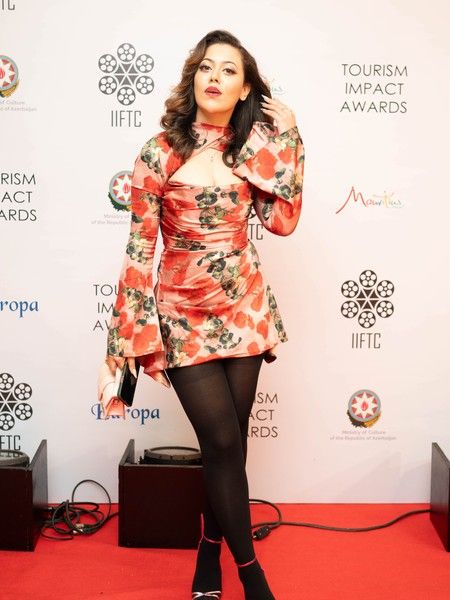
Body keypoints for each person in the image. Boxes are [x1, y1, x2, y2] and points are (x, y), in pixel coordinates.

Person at [104, 29, 305, 600]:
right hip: (183, 314)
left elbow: (283, 222)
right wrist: (127, 338)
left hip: (245, 306)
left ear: (245, 90)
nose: (214, 77)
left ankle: (210, 550)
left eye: (229, 70)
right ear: (193, 79)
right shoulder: (158, 153)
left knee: (231, 445)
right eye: (206, 67)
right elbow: (140, 249)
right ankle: (252, 575)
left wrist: (289, 136)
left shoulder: (250, 151)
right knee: (219, 442)